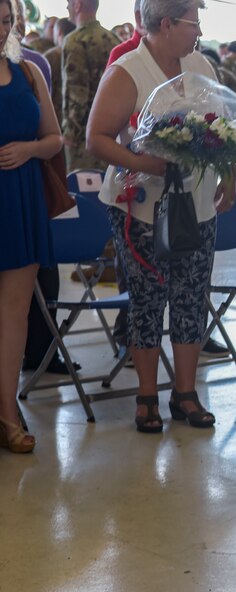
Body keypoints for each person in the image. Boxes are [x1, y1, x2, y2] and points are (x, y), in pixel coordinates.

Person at [87, 0, 234, 433]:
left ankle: (185, 393)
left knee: (191, 294)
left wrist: (230, 173)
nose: (199, 31)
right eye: (194, 22)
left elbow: (223, 128)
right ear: (167, 24)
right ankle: (146, 394)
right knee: (149, 299)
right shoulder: (128, 70)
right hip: (141, 206)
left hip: (198, 202)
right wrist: (147, 163)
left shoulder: (201, 65)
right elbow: (96, 138)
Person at [0, 0, 62, 452]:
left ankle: (7, 412)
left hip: (20, 197)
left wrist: (28, 150)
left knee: (15, 312)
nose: (1, 28)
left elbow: (55, 138)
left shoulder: (28, 72)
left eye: (5, 21)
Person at [62, 0, 119, 173]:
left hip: (83, 139)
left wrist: (69, 132)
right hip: (111, 135)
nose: (67, 7)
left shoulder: (74, 40)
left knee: (82, 195)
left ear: (77, 5)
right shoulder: (114, 39)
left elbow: (76, 93)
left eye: (69, 3)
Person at [43, 18, 76, 125]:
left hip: (54, 116)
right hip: (78, 116)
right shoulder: (81, 52)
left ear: (59, 32)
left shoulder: (50, 56)